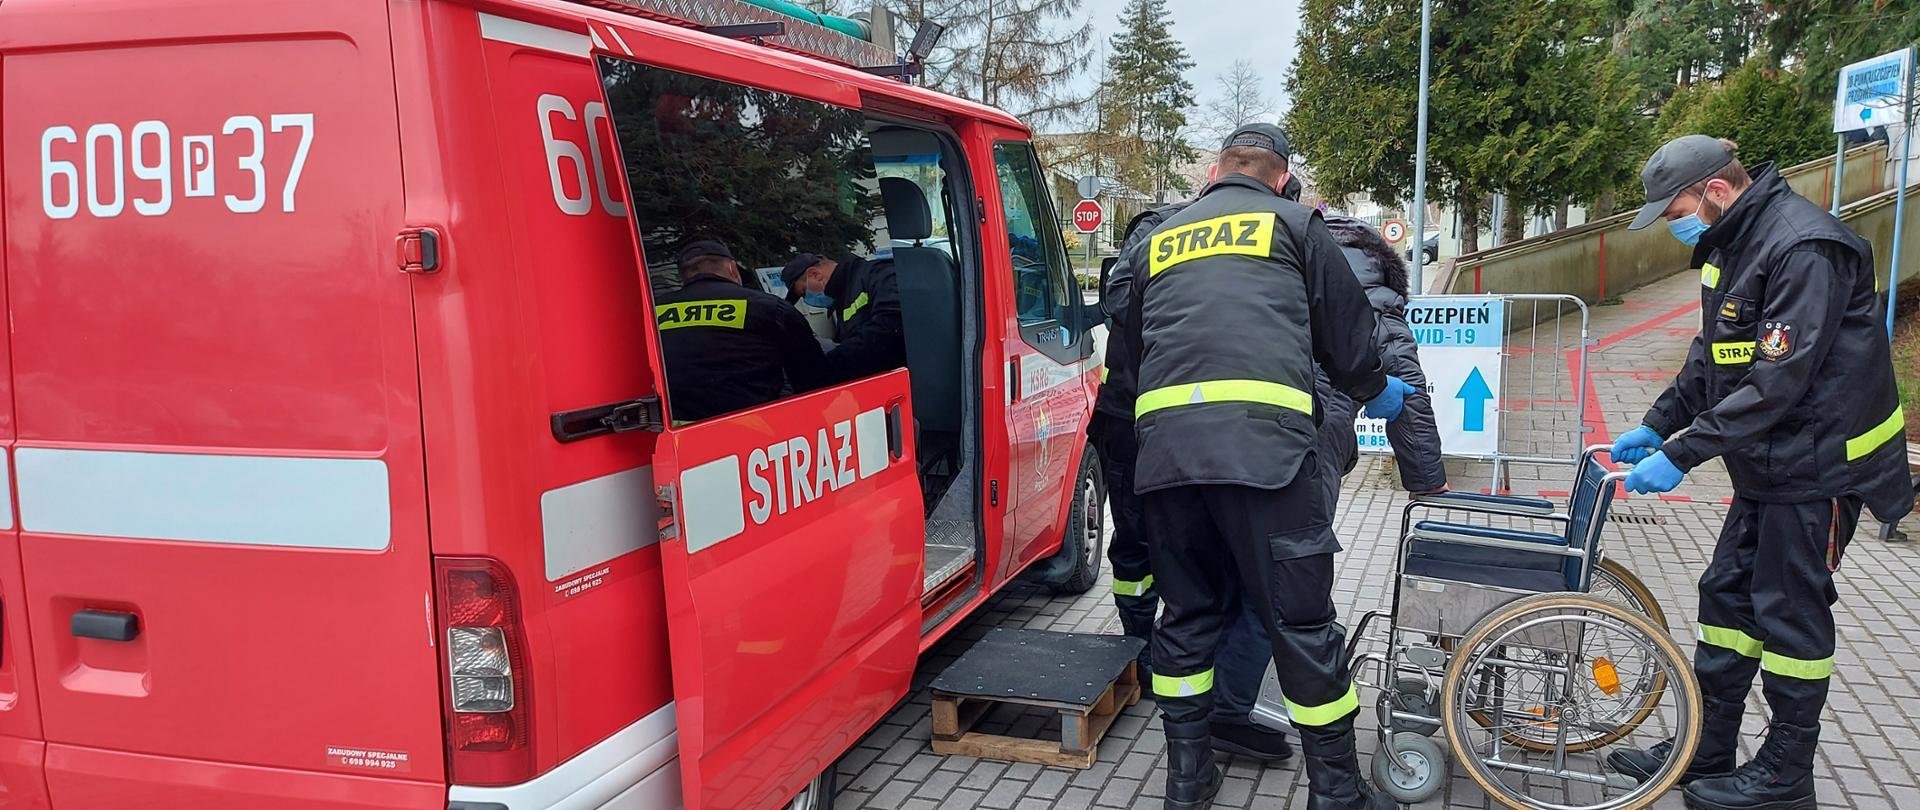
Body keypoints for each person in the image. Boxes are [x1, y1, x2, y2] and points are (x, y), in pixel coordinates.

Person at [1605, 136, 1913, 810]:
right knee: (1727, 601)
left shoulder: (1804, 248)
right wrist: (1659, 421)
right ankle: (1705, 748)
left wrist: (1682, 455)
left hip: (1819, 469)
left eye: (1677, 208)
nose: (1672, 223)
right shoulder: (1731, 247)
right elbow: (1712, 357)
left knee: (1791, 616)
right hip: (1769, 467)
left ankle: (1785, 774)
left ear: (1717, 190)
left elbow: (1777, 384)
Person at [1114, 123, 1413, 810]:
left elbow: (1127, 353)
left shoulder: (1156, 238)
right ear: (1282, 178)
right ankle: (1336, 793)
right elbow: (1349, 340)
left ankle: (1187, 785)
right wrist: (1377, 390)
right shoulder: (1298, 226)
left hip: (1169, 460)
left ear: (1214, 173)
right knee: (1301, 627)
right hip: (1269, 460)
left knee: (1187, 618)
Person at [1312, 214, 1449, 504]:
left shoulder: (1290, 281)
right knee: (1306, 531)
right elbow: (1409, 391)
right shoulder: (1380, 306)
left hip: (1250, 430)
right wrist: (1427, 480)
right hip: (1323, 433)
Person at [654, 240, 832, 422]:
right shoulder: (770, 308)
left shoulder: (653, 312)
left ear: (684, 276)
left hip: (678, 439)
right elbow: (814, 381)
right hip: (755, 435)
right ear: (732, 268)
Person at [782, 252, 906, 381]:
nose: (806, 299)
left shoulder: (877, 274)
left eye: (803, 292)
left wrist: (833, 361)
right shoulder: (843, 296)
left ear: (815, 275)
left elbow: (892, 324)